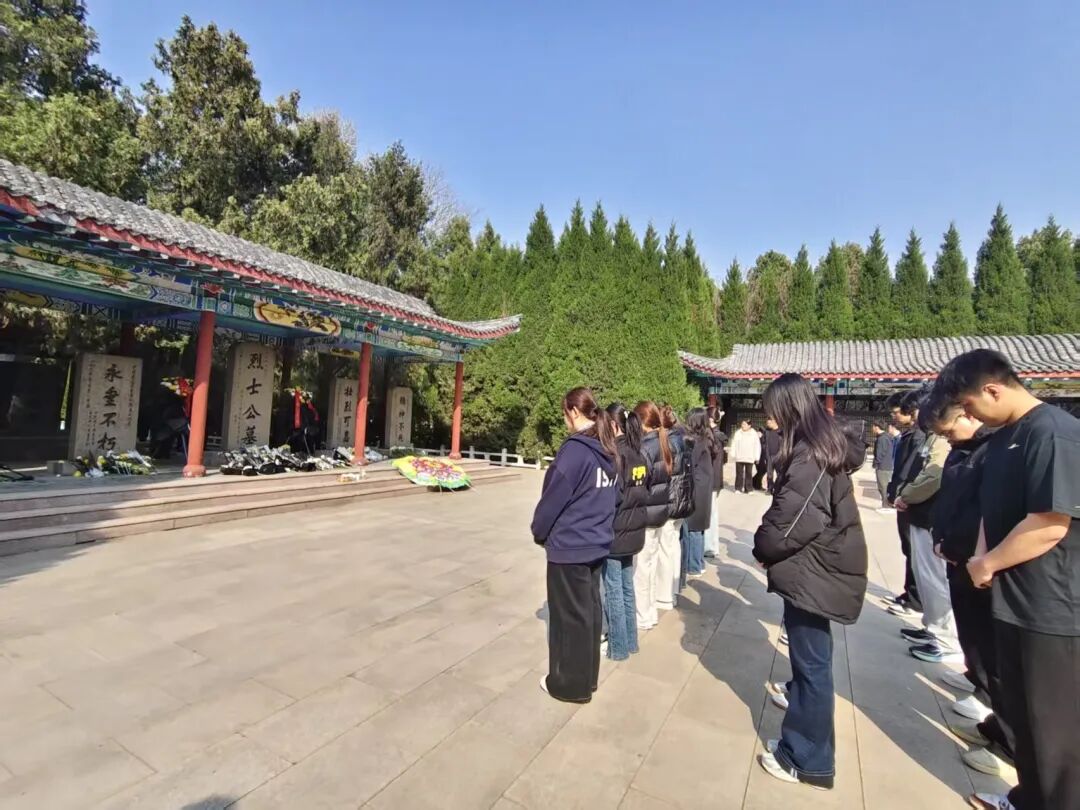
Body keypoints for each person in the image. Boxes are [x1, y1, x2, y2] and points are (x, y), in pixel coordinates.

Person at [935, 349, 1080, 810]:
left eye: (969, 405)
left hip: (1051, 606)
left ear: (993, 390)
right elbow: (991, 509)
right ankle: (1026, 798)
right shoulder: (1003, 438)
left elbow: (1049, 523)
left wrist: (989, 563)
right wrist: (982, 555)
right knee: (1022, 717)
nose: (970, 416)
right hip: (1011, 599)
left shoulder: (1052, 434)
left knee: (1054, 731)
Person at [752, 374, 867, 791]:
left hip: (813, 571)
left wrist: (763, 547)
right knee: (810, 663)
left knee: (812, 666)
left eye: (773, 410)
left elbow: (794, 519)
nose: (770, 417)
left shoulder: (810, 455)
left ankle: (807, 758)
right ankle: (805, 746)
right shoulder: (820, 446)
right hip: (816, 568)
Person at [920, 392, 1015, 779]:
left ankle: (1007, 741)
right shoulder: (967, 451)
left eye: (949, 429)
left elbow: (988, 512)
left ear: (969, 414)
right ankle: (982, 694)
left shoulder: (1000, 450)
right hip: (961, 557)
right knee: (972, 632)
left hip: (985, 566)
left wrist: (982, 558)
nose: (947, 437)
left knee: (999, 652)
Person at [531, 387, 619, 703]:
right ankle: (587, 679)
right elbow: (615, 497)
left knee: (570, 619)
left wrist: (539, 531)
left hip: (571, 545)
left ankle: (569, 685)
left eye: (564, 414)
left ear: (573, 411)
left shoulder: (576, 451)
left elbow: (553, 498)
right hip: (595, 542)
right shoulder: (607, 448)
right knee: (588, 614)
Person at [893, 393, 958, 664]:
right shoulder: (932, 437)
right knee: (925, 577)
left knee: (935, 579)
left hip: (930, 516)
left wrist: (906, 494)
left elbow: (933, 475)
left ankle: (947, 640)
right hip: (921, 516)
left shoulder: (941, 439)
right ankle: (932, 628)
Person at [603, 403, 648, 661]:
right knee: (627, 587)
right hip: (634, 530)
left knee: (614, 591)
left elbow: (612, 497)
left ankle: (618, 647)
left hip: (616, 531)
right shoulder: (638, 453)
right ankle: (631, 641)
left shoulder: (616, 456)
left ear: (612, 425)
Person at [633, 401, 677, 630]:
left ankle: (643, 615)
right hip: (660, 513)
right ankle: (650, 612)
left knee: (642, 569)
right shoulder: (663, 443)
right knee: (650, 566)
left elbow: (641, 483)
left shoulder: (645, 448)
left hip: (648, 514)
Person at [884, 391, 923, 616]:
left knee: (915, 551)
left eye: (897, 412)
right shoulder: (910, 435)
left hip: (910, 501)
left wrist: (900, 493)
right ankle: (909, 592)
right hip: (903, 498)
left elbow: (909, 471)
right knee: (908, 549)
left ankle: (916, 598)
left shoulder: (919, 437)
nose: (895, 417)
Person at [682, 407, 718, 579]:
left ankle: (694, 565)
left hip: (697, 488)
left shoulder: (696, 442)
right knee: (699, 529)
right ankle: (699, 563)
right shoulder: (707, 438)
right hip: (704, 488)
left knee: (693, 529)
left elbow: (691, 464)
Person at [704, 406, 728, 557]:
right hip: (716, 478)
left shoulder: (712, 437)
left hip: (710, 478)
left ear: (710, 419)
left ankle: (710, 547)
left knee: (710, 514)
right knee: (713, 513)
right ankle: (712, 546)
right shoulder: (719, 436)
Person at [871, 423, 898, 510]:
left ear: (877, 427)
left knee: (882, 487)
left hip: (883, 466)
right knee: (883, 486)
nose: (872, 429)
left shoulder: (882, 438)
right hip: (886, 465)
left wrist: (876, 463)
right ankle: (886, 504)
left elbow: (880, 453)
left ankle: (885, 504)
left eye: (873, 427)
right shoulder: (886, 437)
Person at [731, 419, 761, 494]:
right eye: (742, 424)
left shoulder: (754, 434)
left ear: (749, 425)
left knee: (749, 473)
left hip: (750, 456)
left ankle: (749, 489)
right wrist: (733, 453)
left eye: (744, 424)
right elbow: (734, 443)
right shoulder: (738, 433)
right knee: (739, 474)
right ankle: (738, 488)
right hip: (739, 456)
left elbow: (757, 446)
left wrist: (757, 457)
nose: (743, 426)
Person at [761, 417, 782, 492]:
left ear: (774, 421)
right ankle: (770, 488)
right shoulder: (767, 432)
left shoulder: (781, 432)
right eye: (767, 423)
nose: (768, 424)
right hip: (769, 455)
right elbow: (763, 442)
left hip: (779, 456)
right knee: (769, 474)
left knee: (780, 473)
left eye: (769, 423)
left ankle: (779, 488)